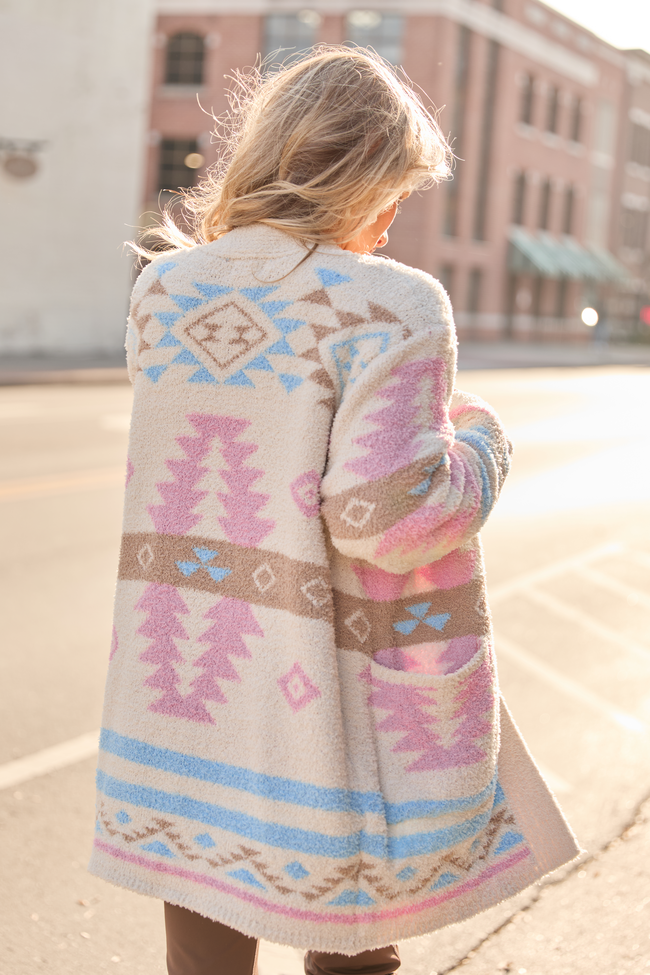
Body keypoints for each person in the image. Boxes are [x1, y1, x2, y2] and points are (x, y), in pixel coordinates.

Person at [89, 47, 578, 975]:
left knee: (202, 941)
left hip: (181, 684)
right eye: (393, 190)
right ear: (356, 176)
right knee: (350, 939)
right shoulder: (391, 308)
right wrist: (480, 443)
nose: (392, 223)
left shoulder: (164, 289)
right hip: (322, 690)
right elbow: (384, 516)